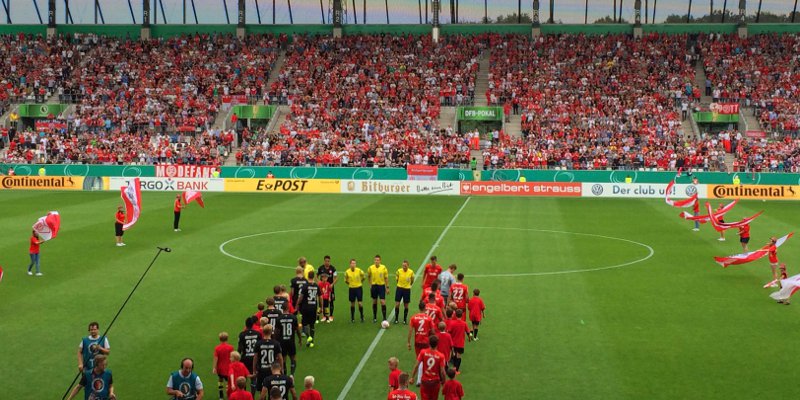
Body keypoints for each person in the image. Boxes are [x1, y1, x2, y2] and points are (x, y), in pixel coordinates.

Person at [412, 335, 446, 400]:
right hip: (435, 381)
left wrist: (412, 377)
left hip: (425, 381)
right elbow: (442, 371)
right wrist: (443, 382)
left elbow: (417, 365)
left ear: (429, 343)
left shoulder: (423, 352)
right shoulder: (441, 356)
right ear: (437, 344)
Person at [253, 325, 283, 396]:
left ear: (263, 332)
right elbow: (280, 358)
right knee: (272, 390)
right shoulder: (276, 343)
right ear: (271, 332)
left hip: (261, 370)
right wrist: (281, 369)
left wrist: (254, 369)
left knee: (262, 391)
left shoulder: (258, 343)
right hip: (272, 370)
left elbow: (255, 358)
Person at [296, 271, 320, 346]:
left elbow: (301, 297)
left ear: (307, 276)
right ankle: (311, 341)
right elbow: (320, 297)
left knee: (305, 324)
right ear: (313, 277)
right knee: (312, 325)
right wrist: (321, 307)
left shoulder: (305, 286)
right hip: (313, 307)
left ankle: (308, 337)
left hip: (305, 308)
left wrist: (297, 304)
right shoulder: (316, 286)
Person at [238, 316, 261, 395]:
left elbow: (239, 348)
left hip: (245, 358)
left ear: (246, 325)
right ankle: (252, 396)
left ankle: (243, 394)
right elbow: (259, 347)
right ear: (253, 324)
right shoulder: (258, 334)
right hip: (254, 358)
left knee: (243, 377)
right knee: (253, 377)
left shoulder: (242, 334)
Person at [277, 305, 302, 377]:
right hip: (291, 341)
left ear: (282, 309)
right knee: (293, 358)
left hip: (282, 341)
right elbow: (297, 330)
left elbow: (277, 332)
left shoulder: (279, 318)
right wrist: (300, 339)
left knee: (283, 359)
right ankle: (292, 374)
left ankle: (284, 375)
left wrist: (276, 341)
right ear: (288, 308)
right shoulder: (293, 317)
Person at [448, 309, 472, 374]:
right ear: (462, 315)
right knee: (458, 356)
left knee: (454, 355)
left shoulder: (452, 323)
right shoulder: (464, 323)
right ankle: (456, 370)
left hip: (453, 342)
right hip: (460, 343)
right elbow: (468, 332)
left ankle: (453, 368)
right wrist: (470, 338)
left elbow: (449, 332)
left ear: (455, 315)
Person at [367, 255, 390, 323]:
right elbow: (368, 276)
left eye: (378, 260)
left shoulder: (383, 268)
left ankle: (384, 317)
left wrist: (387, 287)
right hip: (374, 286)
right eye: (375, 260)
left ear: (380, 261)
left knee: (382, 301)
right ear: (374, 260)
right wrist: (370, 285)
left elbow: (386, 278)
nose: (376, 261)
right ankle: (374, 317)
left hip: (381, 286)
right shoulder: (371, 268)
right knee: (374, 301)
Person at [213, 332, 234, 400]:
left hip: (220, 368)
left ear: (220, 339)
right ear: (227, 338)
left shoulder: (217, 348)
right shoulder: (230, 347)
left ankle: (221, 395)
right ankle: (229, 395)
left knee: (220, 380)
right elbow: (232, 357)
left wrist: (214, 368)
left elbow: (216, 358)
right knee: (228, 382)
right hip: (229, 367)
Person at [316, 256, 338, 320]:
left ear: (329, 261)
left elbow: (336, 278)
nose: (327, 262)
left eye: (328, 261)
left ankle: (331, 316)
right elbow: (316, 276)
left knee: (331, 301)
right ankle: (324, 316)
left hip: (329, 288)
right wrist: (319, 282)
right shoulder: (320, 268)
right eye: (326, 261)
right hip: (322, 288)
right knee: (322, 301)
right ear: (324, 261)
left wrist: (332, 284)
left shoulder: (333, 268)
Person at [394, 260, 415, 324]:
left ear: (408, 266)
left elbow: (412, 280)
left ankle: (405, 319)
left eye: (405, 266)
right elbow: (397, 279)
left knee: (406, 305)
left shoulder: (411, 272)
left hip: (407, 289)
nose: (404, 267)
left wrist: (408, 285)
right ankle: (396, 319)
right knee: (397, 304)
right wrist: (400, 285)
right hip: (399, 289)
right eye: (403, 265)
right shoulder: (399, 271)